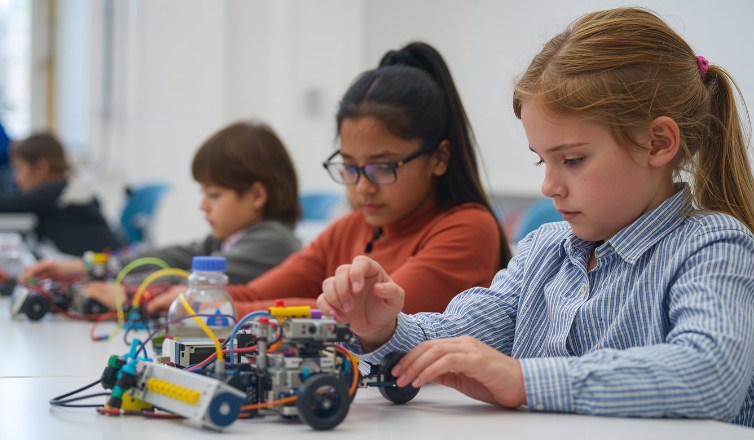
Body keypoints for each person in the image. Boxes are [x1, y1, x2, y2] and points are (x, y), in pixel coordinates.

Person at [317, 8, 754, 428]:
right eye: (540, 160)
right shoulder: (545, 249)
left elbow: (708, 375)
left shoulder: (714, 246)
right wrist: (383, 328)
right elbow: (457, 337)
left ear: (658, 143)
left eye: (571, 160)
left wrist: (523, 380)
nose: (549, 185)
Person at [145, 42, 512, 319]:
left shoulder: (468, 228)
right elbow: (248, 294)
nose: (362, 187)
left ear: (439, 157)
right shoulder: (350, 229)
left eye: (382, 167)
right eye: (349, 167)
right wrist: (167, 297)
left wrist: (218, 310)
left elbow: (366, 316)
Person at [20, 122, 302, 307]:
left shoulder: (272, 241)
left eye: (213, 195)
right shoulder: (230, 238)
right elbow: (169, 258)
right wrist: (88, 268)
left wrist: (125, 293)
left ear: (256, 195)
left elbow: (191, 286)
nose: (203, 206)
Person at [0, 133, 122, 256]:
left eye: (18, 169)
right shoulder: (68, 188)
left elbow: (10, 203)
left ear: (42, 168)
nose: (16, 179)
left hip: (112, 269)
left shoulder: (56, 192)